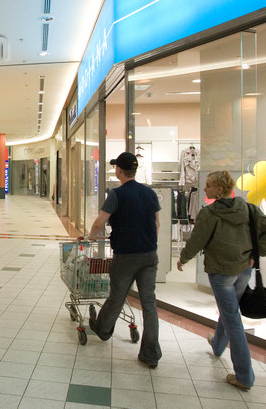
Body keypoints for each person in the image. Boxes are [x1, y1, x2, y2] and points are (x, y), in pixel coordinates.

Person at [177, 170, 266, 391]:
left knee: (233, 320)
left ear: (219, 189)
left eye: (209, 185)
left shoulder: (210, 214)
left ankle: (244, 376)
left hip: (221, 273)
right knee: (229, 310)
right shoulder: (249, 209)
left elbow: (197, 240)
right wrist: (254, 255)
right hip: (243, 270)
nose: (205, 189)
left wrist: (183, 258)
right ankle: (217, 345)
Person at [87, 152, 162, 369]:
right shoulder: (150, 193)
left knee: (117, 297)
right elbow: (157, 224)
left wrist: (92, 236)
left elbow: (100, 222)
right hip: (149, 255)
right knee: (149, 303)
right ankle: (150, 354)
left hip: (126, 256)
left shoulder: (116, 194)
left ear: (119, 170)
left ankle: (102, 329)